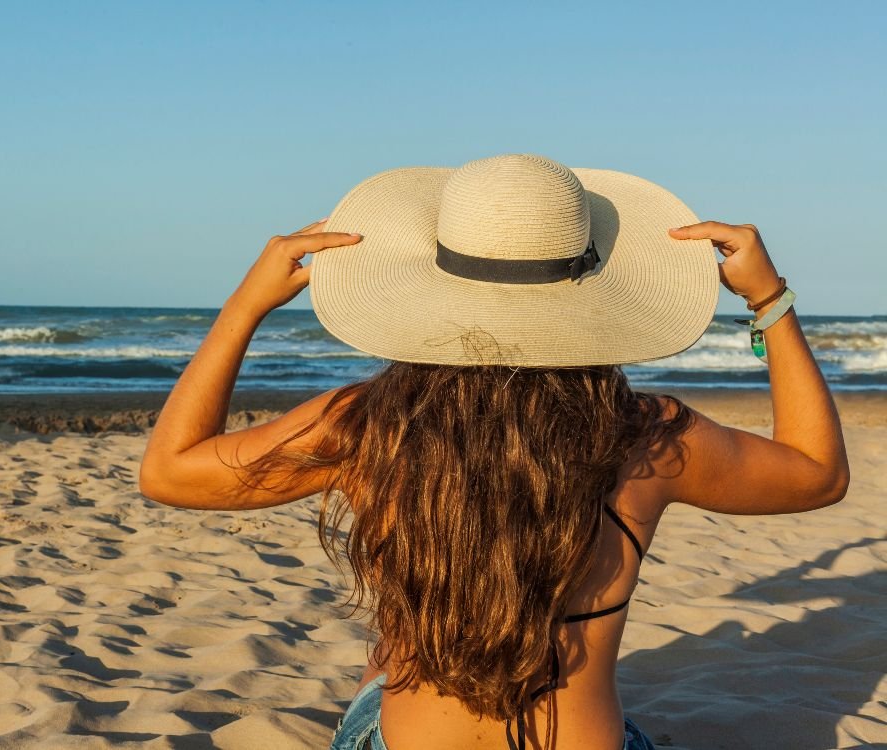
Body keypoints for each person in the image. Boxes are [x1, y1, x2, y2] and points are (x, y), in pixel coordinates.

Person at [139, 155, 849, 750]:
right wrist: (770, 303)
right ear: (594, 286)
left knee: (388, 659)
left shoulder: (365, 427)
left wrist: (244, 307)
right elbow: (818, 474)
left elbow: (169, 471)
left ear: (434, 283)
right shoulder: (643, 435)